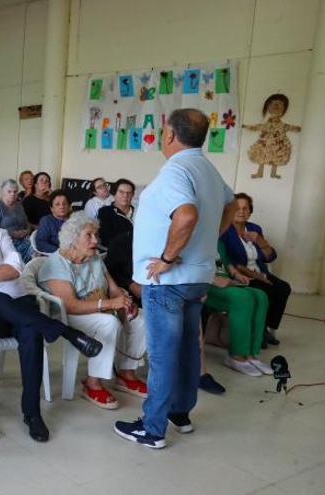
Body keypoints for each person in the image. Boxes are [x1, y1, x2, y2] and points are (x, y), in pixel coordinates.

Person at [0, 189, 102, 442]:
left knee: (31, 332)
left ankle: (32, 414)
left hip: (22, 307)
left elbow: (14, 270)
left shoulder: (1, 235)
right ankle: (68, 333)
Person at [114, 108, 237, 449]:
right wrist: (210, 237)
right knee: (185, 349)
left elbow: (186, 215)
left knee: (164, 355)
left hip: (168, 281)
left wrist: (167, 258)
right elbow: (232, 203)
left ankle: (153, 428)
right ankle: (180, 414)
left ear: (169, 135)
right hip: (197, 276)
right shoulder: (207, 169)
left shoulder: (176, 170)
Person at [36, 214, 147, 409]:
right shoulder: (56, 264)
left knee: (141, 319)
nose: (95, 240)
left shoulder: (94, 258)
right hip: (67, 316)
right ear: (73, 239)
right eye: (89, 235)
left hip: (98, 306)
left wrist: (124, 301)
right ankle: (92, 383)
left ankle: (126, 373)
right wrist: (110, 305)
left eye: (96, 235)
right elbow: (70, 305)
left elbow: (112, 288)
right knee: (109, 323)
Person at [104, 230, 227, 395]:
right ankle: (170, 375)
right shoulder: (122, 243)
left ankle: (199, 373)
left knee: (192, 310)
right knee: (175, 311)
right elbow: (131, 285)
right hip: (141, 294)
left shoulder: (167, 241)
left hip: (166, 288)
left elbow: (181, 269)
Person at [219, 193, 291, 346]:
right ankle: (258, 331)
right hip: (241, 276)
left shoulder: (254, 228)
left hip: (261, 272)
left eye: (246, 208)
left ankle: (266, 328)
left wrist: (259, 239)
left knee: (283, 288)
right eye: (237, 208)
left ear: (250, 211)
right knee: (266, 291)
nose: (242, 211)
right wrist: (254, 275)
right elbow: (228, 260)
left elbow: (270, 257)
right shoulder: (224, 230)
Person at [206, 242, 273, 376]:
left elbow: (223, 261)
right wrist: (212, 278)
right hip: (202, 282)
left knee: (261, 296)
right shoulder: (192, 232)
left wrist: (236, 274)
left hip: (223, 280)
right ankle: (236, 355)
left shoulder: (216, 237)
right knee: (242, 298)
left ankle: (251, 354)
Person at [0, 179, 33, 263]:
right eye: (9, 191)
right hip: (8, 241)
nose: (12, 194)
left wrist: (27, 230)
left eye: (15, 192)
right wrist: (12, 234)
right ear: (3, 192)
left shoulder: (19, 205)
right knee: (32, 249)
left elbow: (27, 222)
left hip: (25, 238)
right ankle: (21, 269)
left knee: (36, 247)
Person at [97, 178, 136, 248]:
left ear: (132, 195)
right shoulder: (105, 212)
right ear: (114, 193)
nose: (125, 195)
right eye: (121, 192)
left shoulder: (139, 212)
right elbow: (106, 240)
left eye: (129, 193)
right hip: (118, 253)